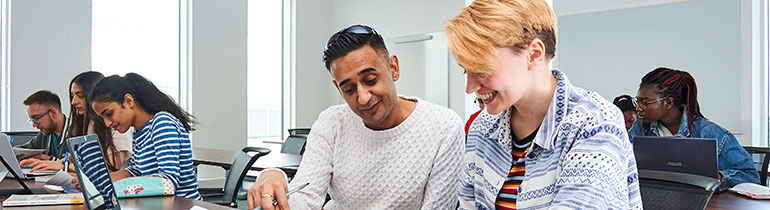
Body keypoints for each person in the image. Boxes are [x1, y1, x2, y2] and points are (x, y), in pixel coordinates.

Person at [445, 0, 642, 209]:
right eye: (466, 70)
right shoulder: (483, 127)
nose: (470, 87)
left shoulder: (594, 124)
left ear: (534, 54)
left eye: (482, 70)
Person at [247, 24, 464, 210]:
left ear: (393, 68)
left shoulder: (443, 127)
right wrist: (275, 177)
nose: (363, 97)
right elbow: (306, 197)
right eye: (349, 89)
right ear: (338, 89)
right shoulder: (332, 122)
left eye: (370, 80)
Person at [628, 67, 759, 191]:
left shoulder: (710, 133)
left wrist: (716, 178)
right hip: (653, 198)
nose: (638, 108)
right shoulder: (640, 128)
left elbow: (750, 176)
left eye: (645, 102)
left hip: (699, 202)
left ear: (668, 102)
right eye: (637, 102)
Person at [89, 73, 201, 200]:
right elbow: (135, 171)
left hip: (181, 205)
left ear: (128, 101)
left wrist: (118, 189)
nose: (107, 123)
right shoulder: (139, 131)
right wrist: (95, 183)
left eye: (109, 113)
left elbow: (167, 182)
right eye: (102, 118)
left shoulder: (162, 124)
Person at [21, 71, 134, 172]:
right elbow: (78, 160)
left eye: (80, 96)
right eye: (72, 96)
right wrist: (53, 163)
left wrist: (62, 166)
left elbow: (109, 167)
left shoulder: (117, 125)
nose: (73, 102)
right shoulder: (88, 124)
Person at [19, 90, 69, 161]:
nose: (34, 125)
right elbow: (24, 150)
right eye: (32, 120)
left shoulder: (78, 133)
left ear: (53, 113)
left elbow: (81, 167)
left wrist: (51, 160)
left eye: (36, 118)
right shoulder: (45, 135)